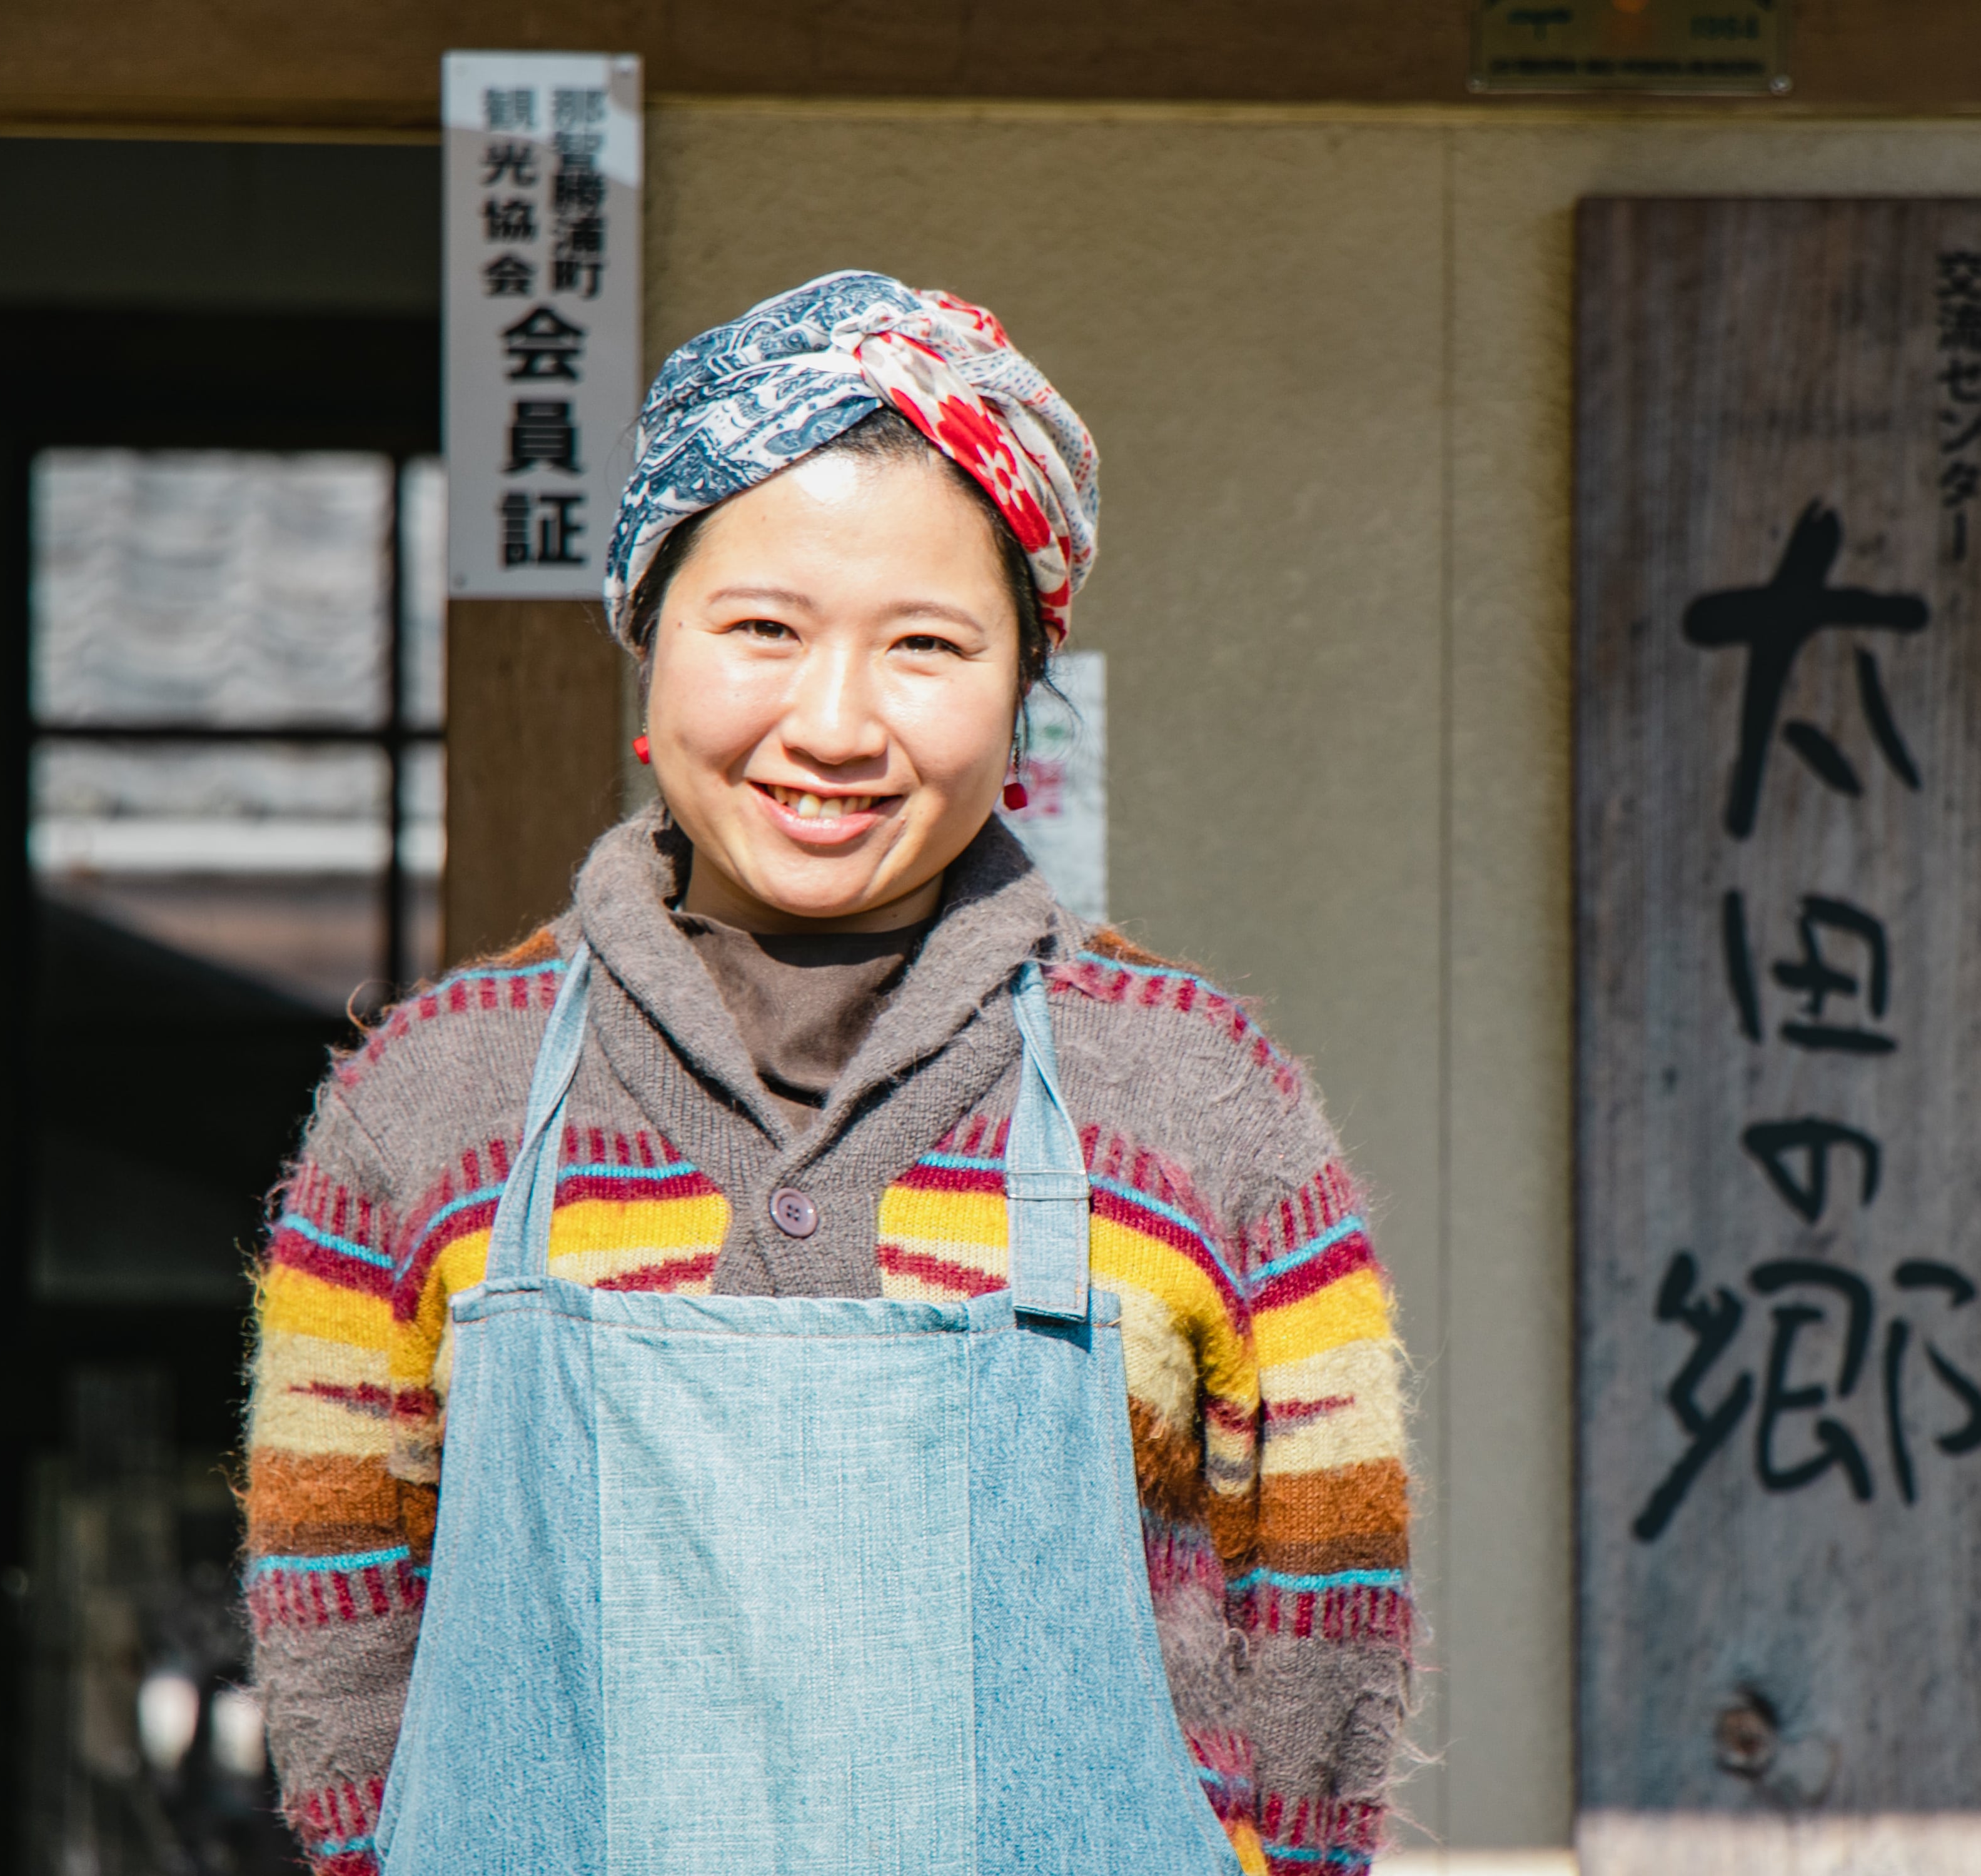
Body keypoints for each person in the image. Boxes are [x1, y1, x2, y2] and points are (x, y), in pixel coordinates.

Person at [242, 271, 1411, 1876]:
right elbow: (339, 1639)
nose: (837, 722)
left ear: (1021, 698)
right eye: (763, 630)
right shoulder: (425, 1108)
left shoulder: (1207, 1108)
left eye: (928, 644)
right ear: (650, 642)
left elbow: (1323, 1640)